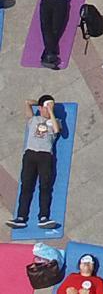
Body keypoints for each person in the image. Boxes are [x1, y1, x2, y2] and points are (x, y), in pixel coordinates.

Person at [6, 95, 61, 229]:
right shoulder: (34, 120)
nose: (48, 110)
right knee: (26, 186)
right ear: (41, 108)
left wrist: (51, 111)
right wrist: (41, 103)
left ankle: (43, 217)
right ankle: (21, 217)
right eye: (46, 108)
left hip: (45, 155)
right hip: (30, 154)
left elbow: (56, 130)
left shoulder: (56, 121)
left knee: (45, 186)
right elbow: (27, 102)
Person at [35, 0, 83, 70]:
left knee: (56, 27)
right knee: (45, 26)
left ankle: (47, 55)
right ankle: (50, 56)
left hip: (61, 1)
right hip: (47, 0)